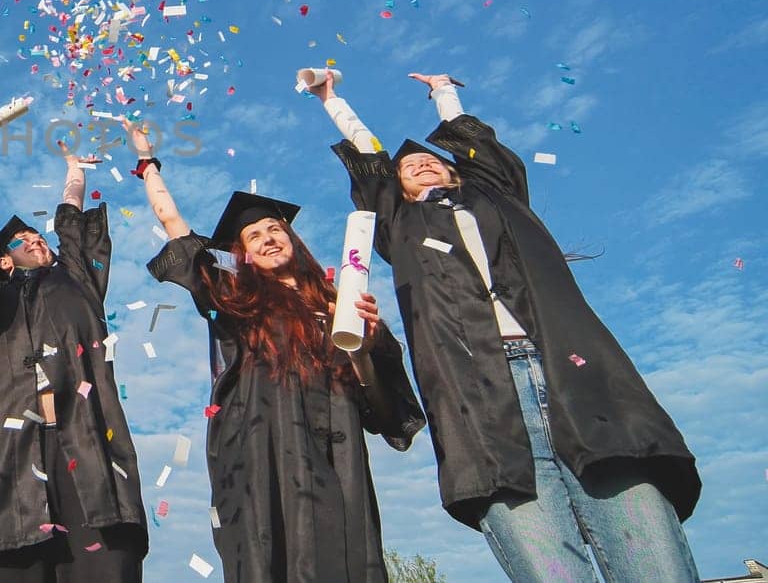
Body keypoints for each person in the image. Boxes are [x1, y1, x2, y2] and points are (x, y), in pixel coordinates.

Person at [311, 71, 702, 582]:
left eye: (433, 159)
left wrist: (444, 96)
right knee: (550, 570)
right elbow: (370, 164)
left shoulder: (501, 201)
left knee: (653, 561)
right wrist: (333, 99)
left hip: (576, 379)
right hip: (480, 399)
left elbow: (486, 157)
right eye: (409, 167)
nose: (424, 163)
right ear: (396, 189)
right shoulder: (398, 225)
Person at [124, 118, 424, 582]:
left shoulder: (339, 304)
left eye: (273, 228)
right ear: (241, 254)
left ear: (292, 236)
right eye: (254, 236)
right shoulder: (235, 301)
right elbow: (173, 225)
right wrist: (147, 162)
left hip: (337, 456)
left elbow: (385, 415)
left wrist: (365, 347)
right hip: (262, 449)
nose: (267, 238)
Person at [0, 136, 148, 582]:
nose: (36, 240)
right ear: (2, 260)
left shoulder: (76, 280)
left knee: (104, 561)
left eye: (39, 237)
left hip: (88, 449)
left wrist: (75, 172)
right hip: (9, 457)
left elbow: (71, 222)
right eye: (22, 240)